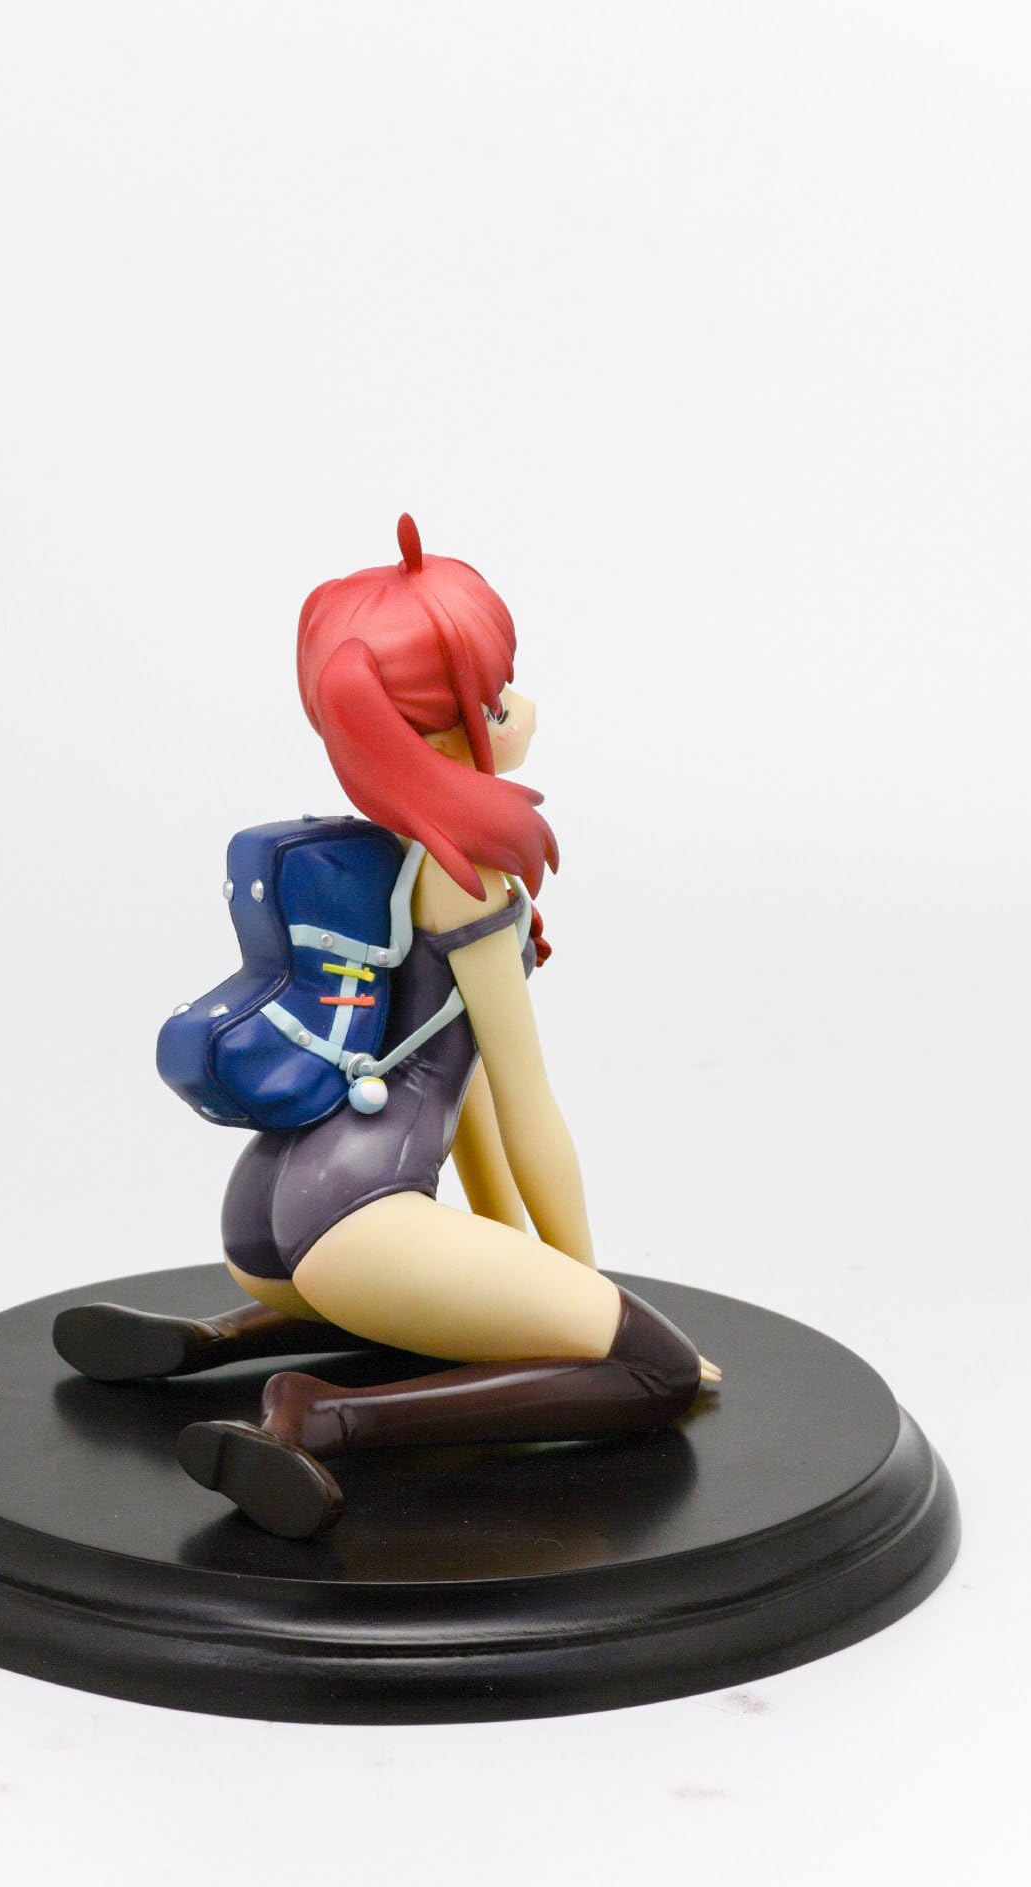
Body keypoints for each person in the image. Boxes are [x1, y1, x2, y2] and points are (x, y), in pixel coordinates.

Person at [54, 516, 718, 1537]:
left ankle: (211, 1339)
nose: (521, 711)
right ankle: (319, 1416)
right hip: (355, 1228)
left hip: (266, 1220)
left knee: (461, 1309)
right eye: (494, 700)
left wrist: (516, 1267)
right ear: (445, 737)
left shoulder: (389, 857)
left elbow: (463, 1094)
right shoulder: (470, 878)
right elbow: (525, 1103)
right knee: (654, 1372)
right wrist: (590, 1307)